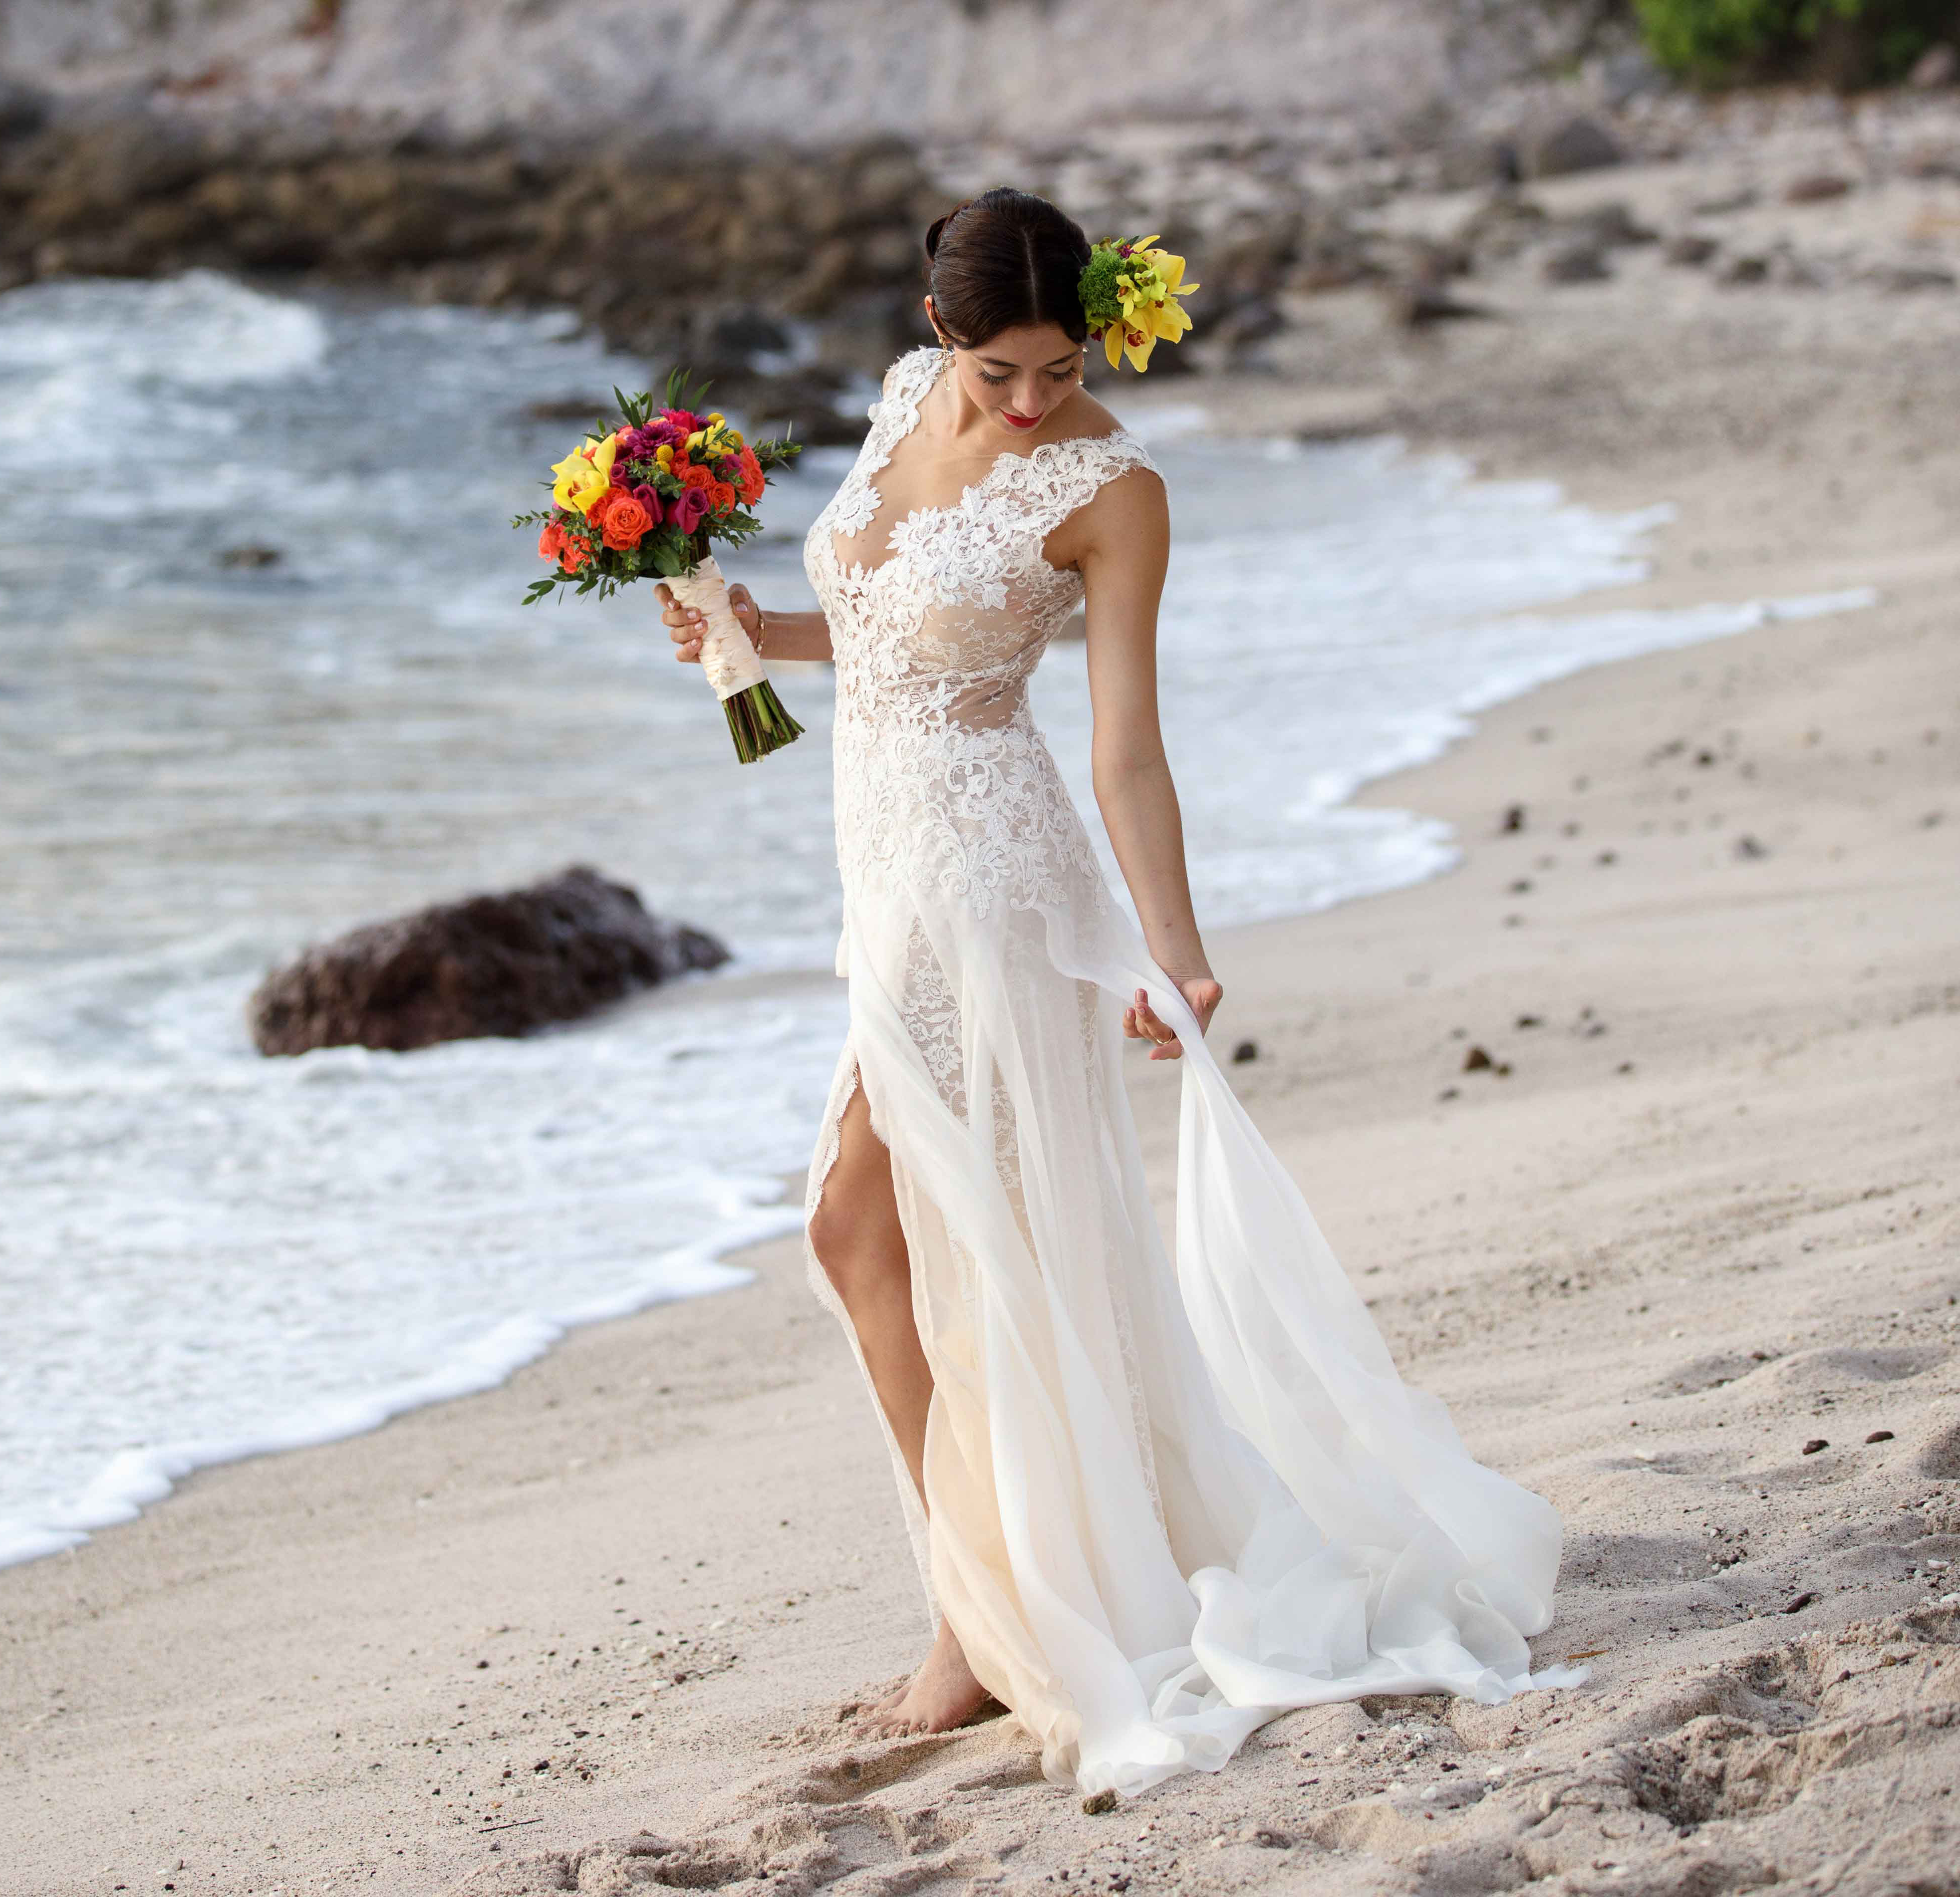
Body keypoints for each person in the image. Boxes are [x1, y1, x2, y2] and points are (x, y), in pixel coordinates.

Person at [655, 187, 1575, 1803]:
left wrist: (1174, 944)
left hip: (988, 888)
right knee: (885, 1236)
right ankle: (985, 1588)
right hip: (877, 874)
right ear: (940, 334)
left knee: (900, 1233)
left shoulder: (1112, 485)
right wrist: (745, 627)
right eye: (1001, 370)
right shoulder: (894, 402)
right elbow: (875, 642)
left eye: (1059, 364)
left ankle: (980, 1620)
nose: (1032, 401)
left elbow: (1124, 742)